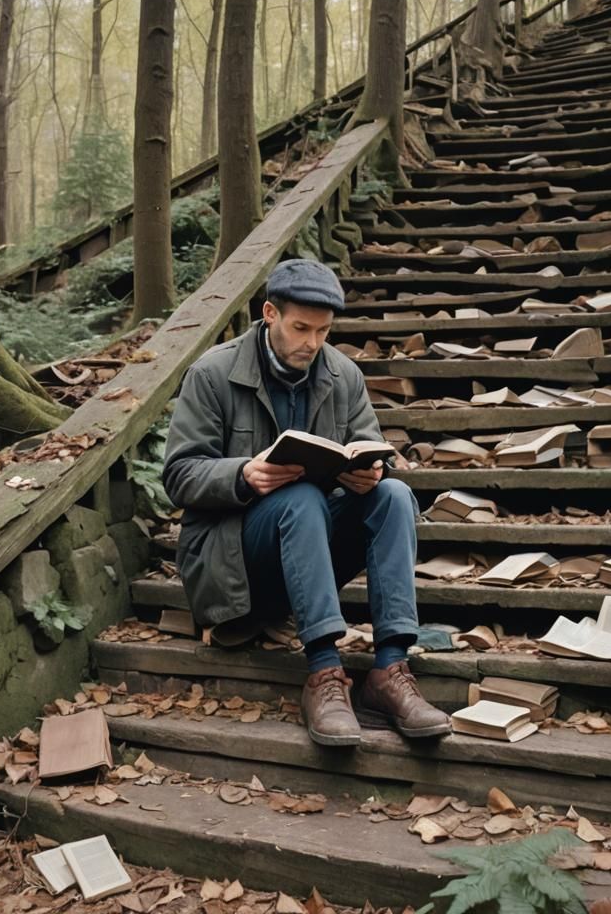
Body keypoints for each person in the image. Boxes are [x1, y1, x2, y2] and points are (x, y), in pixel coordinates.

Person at [162, 258, 450, 747]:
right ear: (270, 313)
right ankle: (323, 671)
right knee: (298, 495)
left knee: (394, 496)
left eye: (323, 331)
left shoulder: (343, 375)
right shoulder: (213, 373)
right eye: (300, 328)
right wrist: (243, 473)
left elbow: (372, 448)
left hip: (308, 551)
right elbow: (179, 474)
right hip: (235, 562)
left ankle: (390, 670)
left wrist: (372, 472)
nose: (312, 343)